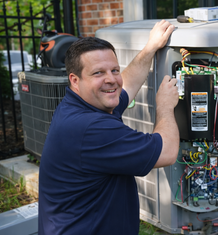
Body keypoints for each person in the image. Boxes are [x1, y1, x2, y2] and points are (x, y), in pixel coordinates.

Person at [38, 20, 179, 234]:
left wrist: (150, 48)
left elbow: (127, 84)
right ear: (75, 80)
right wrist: (166, 107)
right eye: (98, 73)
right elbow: (167, 152)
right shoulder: (90, 127)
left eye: (114, 70)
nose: (111, 80)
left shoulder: (80, 104)